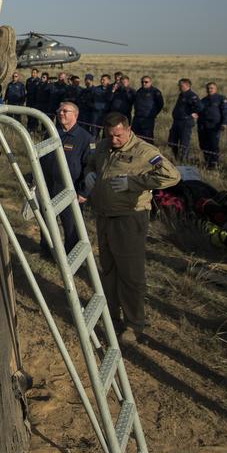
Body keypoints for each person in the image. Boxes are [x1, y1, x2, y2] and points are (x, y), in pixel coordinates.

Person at [86, 112, 181, 344]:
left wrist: (134, 183)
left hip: (129, 219)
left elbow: (172, 176)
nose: (114, 140)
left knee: (130, 274)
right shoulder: (103, 146)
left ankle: (134, 324)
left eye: (118, 135)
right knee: (108, 269)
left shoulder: (143, 152)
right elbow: (92, 161)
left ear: (128, 130)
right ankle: (112, 315)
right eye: (110, 136)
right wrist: (89, 173)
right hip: (105, 216)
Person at [39, 101, 95, 253]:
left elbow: (90, 168)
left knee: (71, 224)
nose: (61, 113)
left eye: (65, 111)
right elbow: (42, 158)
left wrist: (84, 192)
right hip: (49, 186)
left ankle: (71, 255)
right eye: (60, 110)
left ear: (75, 115)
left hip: (70, 189)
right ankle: (47, 250)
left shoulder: (85, 138)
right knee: (47, 219)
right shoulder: (51, 133)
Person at [167, 78, 201, 161]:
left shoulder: (192, 95)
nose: (179, 87)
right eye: (179, 85)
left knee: (184, 142)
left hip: (185, 122)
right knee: (172, 141)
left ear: (187, 85)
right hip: (177, 121)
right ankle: (176, 158)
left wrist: (193, 113)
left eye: (181, 85)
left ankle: (183, 160)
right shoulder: (181, 95)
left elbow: (199, 107)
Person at [197, 82, 227, 169]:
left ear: (216, 89)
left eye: (211, 88)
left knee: (213, 145)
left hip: (214, 126)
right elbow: (199, 111)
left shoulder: (221, 99)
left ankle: (214, 163)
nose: (209, 90)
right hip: (203, 126)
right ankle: (207, 162)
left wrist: (224, 123)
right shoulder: (203, 100)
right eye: (208, 88)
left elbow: (226, 112)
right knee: (203, 145)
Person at [130, 75, 163, 141]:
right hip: (137, 117)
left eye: (146, 82)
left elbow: (160, 104)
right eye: (142, 82)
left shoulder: (155, 92)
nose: (144, 83)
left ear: (150, 82)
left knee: (147, 137)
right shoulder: (139, 91)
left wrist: (153, 113)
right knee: (135, 136)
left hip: (148, 119)